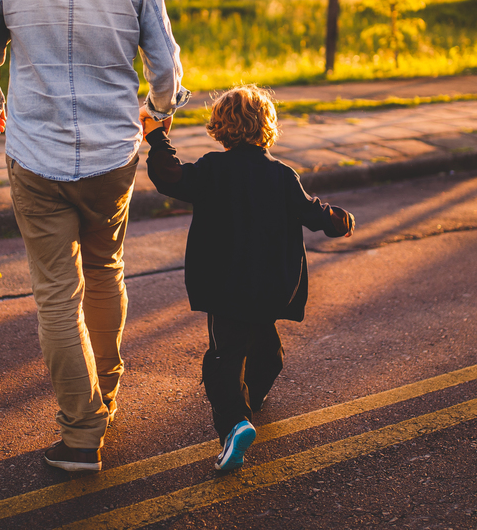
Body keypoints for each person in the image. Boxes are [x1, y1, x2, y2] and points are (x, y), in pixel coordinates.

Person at [0, 0, 189, 473]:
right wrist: (156, 114)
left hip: (34, 152)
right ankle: (105, 398)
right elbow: (167, 67)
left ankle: (80, 432)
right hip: (111, 154)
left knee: (57, 296)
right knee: (106, 269)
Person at [141, 85, 355, 471]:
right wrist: (341, 220)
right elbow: (316, 214)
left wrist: (157, 136)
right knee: (268, 355)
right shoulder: (282, 176)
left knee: (224, 357)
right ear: (266, 127)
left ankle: (235, 421)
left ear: (220, 127)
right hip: (271, 289)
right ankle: (244, 405)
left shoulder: (211, 169)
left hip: (226, 289)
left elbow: (170, 177)